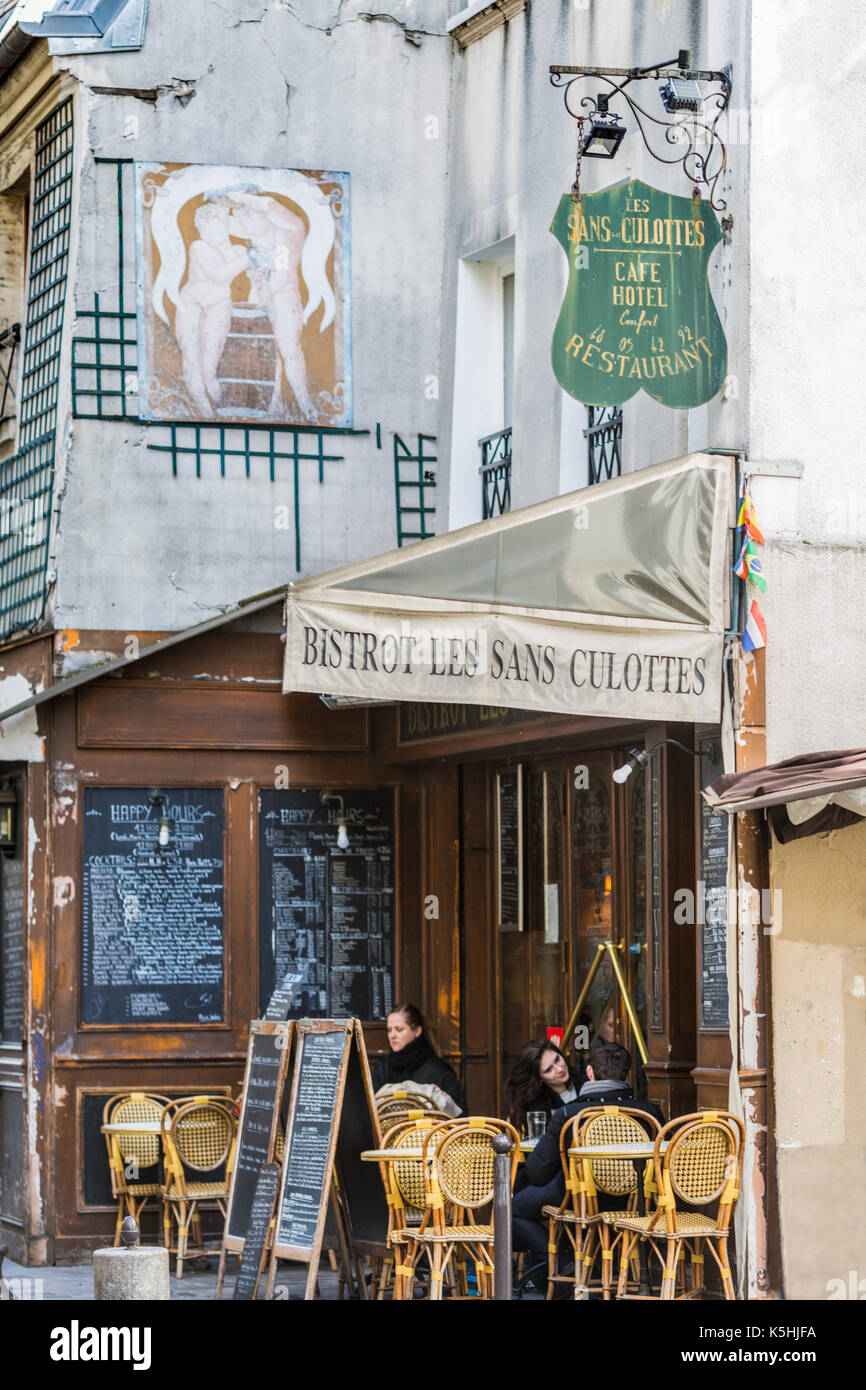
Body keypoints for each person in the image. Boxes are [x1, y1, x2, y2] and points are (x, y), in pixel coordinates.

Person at [511, 1041, 664, 1278]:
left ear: (590, 1073)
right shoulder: (650, 1113)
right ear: (628, 1073)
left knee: (511, 1209)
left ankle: (564, 1262)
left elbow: (537, 1174)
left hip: (580, 1199)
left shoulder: (569, 1114)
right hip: (637, 1201)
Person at [371, 1003, 466, 1114]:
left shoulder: (438, 1070)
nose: (392, 1035)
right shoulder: (382, 1068)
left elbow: (459, 1115)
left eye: (399, 1029)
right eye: (389, 1030)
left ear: (417, 1031)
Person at [504, 1040, 581, 1136]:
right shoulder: (536, 1107)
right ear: (539, 1078)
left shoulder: (584, 1084)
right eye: (549, 1070)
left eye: (557, 1059)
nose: (559, 1069)